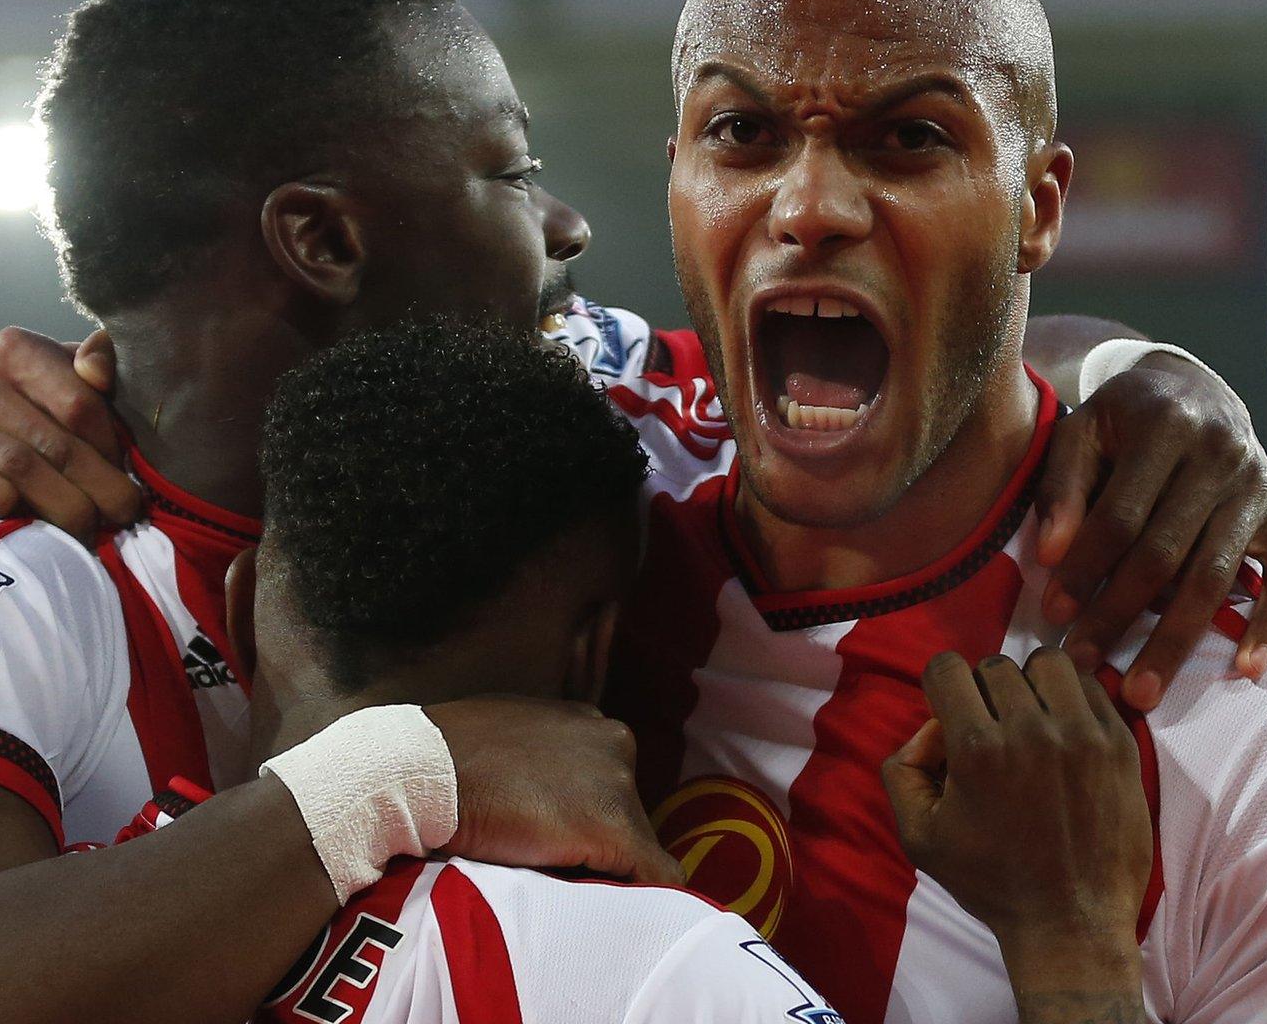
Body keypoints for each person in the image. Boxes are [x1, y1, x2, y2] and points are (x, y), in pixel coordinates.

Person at [0, 0, 1267, 1024]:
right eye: (509, 170)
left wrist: (1146, 376)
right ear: (326, 240)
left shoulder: (572, 402)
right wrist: (409, 769)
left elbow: (942, 370)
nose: (566, 228)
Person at [591, 0, 1267, 1023]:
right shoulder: (584, 452)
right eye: (740, 134)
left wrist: (1073, 966)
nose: (806, 207)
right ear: (673, 180)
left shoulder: (1262, 707)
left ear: (1036, 208)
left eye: (906, 138)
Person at [122, 313, 1149, 1022]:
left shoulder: (59, 928)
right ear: (591, 651)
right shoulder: (654, 973)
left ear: (245, 605)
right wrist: (1073, 945)